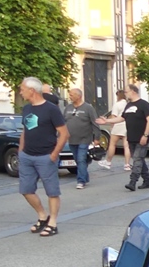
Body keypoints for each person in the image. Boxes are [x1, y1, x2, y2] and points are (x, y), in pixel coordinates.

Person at [18, 77, 69, 237]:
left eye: (22, 89)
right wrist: (20, 151)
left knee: (52, 191)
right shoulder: (27, 108)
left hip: (46, 156)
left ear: (32, 90)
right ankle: (42, 216)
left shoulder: (51, 109)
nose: (20, 92)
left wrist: (54, 154)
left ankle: (52, 222)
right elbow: (25, 131)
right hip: (27, 156)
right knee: (26, 190)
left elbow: (64, 133)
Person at [96, 84, 149, 191]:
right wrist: (107, 121)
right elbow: (121, 118)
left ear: (133, 91)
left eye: (126, 92)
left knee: (137, 159)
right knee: (139, 159)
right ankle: (147, 181)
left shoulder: (144, 104)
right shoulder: (128, 105)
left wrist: (145, 135)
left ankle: (133, 182)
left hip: (142, 137)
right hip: (131, 137)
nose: (125, 94)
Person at [62, 88, 100, 189]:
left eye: (71, 95)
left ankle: (81, 181)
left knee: (81, 159)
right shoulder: (68, 108)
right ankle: (85, 176)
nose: (70, 97)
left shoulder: (88, 108)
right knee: (78, 160)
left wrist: (97, 137)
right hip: (71, 139)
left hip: (84, 138)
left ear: (78, 96)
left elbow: (95, 123)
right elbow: (63, 121)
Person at [98, 89, 131, 171]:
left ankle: (108, 162)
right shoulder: (128, 104)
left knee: (112, 144)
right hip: (127, 126)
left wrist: (111, 126)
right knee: (126, 146)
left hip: (118, 125)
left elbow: (113, 117)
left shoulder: (117, 105)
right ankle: (127, 164)